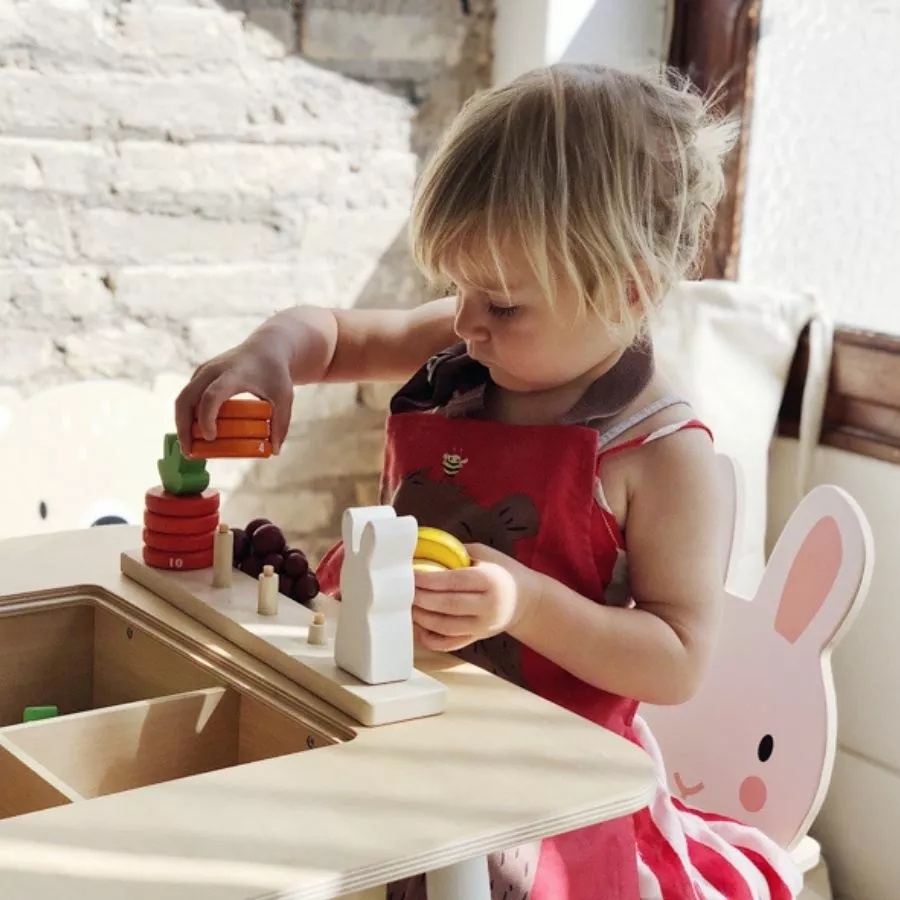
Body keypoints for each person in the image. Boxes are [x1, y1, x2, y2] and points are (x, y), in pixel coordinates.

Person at [175, 64, 802, 899]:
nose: (466, 322)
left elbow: (679, 660)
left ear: (629, 288)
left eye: (501, 304)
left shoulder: (661, 453)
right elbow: (333, 335)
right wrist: (270, 354)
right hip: (402, 729)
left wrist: (527, 604)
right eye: (457, 288)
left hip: (545, 792)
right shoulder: (471, 344)